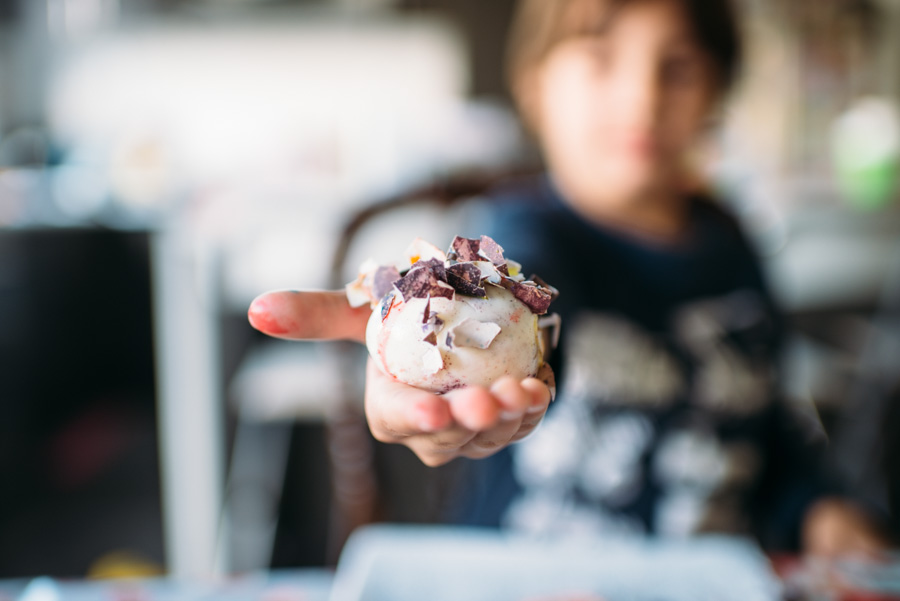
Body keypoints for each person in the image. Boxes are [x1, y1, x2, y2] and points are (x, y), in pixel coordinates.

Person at [248, 0, 889, 556]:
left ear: (717, 91)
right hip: (530, 575)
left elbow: (765, 429)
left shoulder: (733, 250)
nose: (642, 97)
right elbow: (530, 310)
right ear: (534, 82)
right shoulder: (524, 231)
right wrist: (438, 340)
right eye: (600, 59)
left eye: (677, 67)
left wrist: (818, 509)